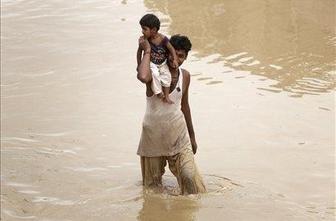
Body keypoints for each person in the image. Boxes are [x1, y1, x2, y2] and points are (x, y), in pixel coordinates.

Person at [136, 34, 206, 195]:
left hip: (178, 134)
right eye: (172, 53)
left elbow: (185, 106)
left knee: (189, 177)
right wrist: (146, 50)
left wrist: (192, 137)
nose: (176, 59)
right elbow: (142, 76)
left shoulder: (185, 76)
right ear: (166, 52)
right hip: (153, 135)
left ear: (186, 57)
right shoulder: (154, 73)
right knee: (152, 189)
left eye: (181, 56)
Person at [137, 14, 178, 104]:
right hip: (151, 63)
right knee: (155, 74)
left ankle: (166, 96)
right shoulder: (144, 40)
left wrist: (174, 59)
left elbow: (171, 49)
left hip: (162, 63)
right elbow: (139, 52)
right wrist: (139, 65)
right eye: (142, 29)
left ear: (154, 30)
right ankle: (158, 92)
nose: (142, 32)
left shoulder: (163, 38)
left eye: (144, 29)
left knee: (167, 76)